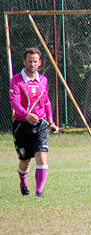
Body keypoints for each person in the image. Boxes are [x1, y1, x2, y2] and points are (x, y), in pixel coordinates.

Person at [9, 47, 60, 197]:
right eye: (30, 61)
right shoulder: (16, 80)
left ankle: (39, 192)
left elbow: (46, 101)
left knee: (42, 155)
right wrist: (27, 115)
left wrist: (51, 122)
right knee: (25, 161)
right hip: (22, 126)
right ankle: (23, 183)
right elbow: (14, 103)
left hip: (41, 124)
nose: (32, 64)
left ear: (40, 63)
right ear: (24, 62)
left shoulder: (43, 80)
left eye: (35, 61)